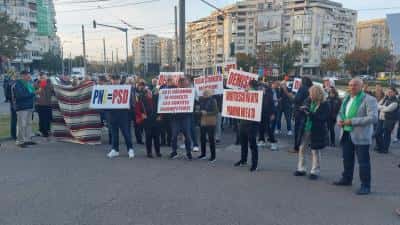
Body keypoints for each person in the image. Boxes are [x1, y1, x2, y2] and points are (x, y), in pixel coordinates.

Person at [333, 78, 378, 195]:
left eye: (355, 85)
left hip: (361, 135)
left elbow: (373, 118)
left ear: (361, 86)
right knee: (347, 159)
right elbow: (340, 113)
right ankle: (347, 179)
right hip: (346, 133)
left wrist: (352, 121)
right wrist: (339, 120)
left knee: (363, 162)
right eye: (350, 85)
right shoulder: (346, 98)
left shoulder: (369, 99)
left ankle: (365, 186)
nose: (352, 87)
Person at [294, 85, 329, 180]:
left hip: (317, 129)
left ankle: (315, 171)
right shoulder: (308, 100)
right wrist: (301, 110)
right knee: (302, 148)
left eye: (311, 93)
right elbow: (301, 112)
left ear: (316, 94)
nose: (310, 95)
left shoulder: (324, 104)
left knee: (315, 150)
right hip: (305, 128)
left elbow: (323, 118)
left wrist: (310, 113)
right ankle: (301, 168)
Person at [106, 75, 135, 159]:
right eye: (113, 79)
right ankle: (115, 150)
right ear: (111, 80)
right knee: (114, 134)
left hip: (123, 115)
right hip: (112, 115)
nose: (115, 81)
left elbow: (131, 101)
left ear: (119, 80)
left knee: (126, 133)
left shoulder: (125, 88)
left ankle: (130, 149)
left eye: (117, 79)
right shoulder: (108, 89)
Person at [234, 79, 260, 172]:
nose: (246, 87)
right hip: (243, 122)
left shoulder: (257, 95)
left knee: (252, 145)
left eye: (247, 85)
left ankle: (254, 164)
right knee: (243, 143)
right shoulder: (245, 94)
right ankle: (243, 160)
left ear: (250, 85)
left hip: (252, 123)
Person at [136, 81, 161, 158]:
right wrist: (141, 115)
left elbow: (161, 107)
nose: (149, 94)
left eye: (150, 92)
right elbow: (137, 109)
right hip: (147, 121)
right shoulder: (141, 100)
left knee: (157, 137)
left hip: (156, 119)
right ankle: (149, 152)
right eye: (147, 93)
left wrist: (160, 115)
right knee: (148, 137)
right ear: (145, 94)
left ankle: (158, 152)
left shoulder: (157, 99)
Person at [169, 77, 192, 160]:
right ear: (178, 84)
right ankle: (174, 151)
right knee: (174, 136)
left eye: (184, 83)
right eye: (181, 83)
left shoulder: (190, 92)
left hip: (186, 117)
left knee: (187, 136)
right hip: (175, 118)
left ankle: (188, 152)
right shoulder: (173, 92)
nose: (183, 84)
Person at [12, 71, 37, 148]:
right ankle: (20, 141)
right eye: (28, 76)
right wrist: (34, 93)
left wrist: (34, 91)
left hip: (29, 107)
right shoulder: (17, 84)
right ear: (23, 76)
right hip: (22, 107)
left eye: (29, 76)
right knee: (21, 125)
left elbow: (32, 93)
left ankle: (27, 139)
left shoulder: (28, 84)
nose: (29, 77)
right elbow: (21, 95)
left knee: (28, 124)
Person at [291, 77, 313, 153]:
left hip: (300, 111)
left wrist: (293, 97)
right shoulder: (310, 89)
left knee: (298, 130)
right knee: (303, 130)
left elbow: (297, 99)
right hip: (306, 111)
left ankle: (296, 147)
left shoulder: (302, 88)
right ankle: (302, 146)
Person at [375, 87, 399, 154]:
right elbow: (377, 105)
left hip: (389, 120)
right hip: (381, 118)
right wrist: (382, 107)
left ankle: (384, 149)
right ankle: (380, 146)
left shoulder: (396, 101)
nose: (389, 93)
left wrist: (381, 107)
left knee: (386, 135)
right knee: (377, 133)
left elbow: (388, 109)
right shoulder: (385, 98)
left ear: (394, 92)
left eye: (391, 92)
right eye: (388, 92)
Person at [197, 89, 218, 162]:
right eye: (204, 93)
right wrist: (200, 112)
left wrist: (207, 113)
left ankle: (213, 156)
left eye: (206, 93)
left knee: (211, 139)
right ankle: (203, 154)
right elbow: (199, 109)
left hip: (210, 121)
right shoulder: (201, 100)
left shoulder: (213, 100)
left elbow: (215, 112)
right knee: (202, 138)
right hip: (203, 121)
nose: (204, 94)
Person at [257, 81, 278, 150]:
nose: (260, 89)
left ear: (265, 88)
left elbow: (273, 105)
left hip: (268, 114)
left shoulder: (269, 94)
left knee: (269, 129)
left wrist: (273, 114)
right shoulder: (260, 94)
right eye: (260, 87)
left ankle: (273, 143)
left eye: (261, 87)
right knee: (261, 128)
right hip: (261, 113)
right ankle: (261, 140)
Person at [35, 73, 53, 139]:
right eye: (41, 77)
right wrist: (40, 85)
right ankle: (43, 131)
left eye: (44, 77)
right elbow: (34, 91)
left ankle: (47, 130)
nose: (43, 78)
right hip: (40, 104)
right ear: (39, 77)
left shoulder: (49, 83)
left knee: (48, 118)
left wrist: (48, 82)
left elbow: (53, 90)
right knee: (42, 118)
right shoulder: (36, 83)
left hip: (48, 103)